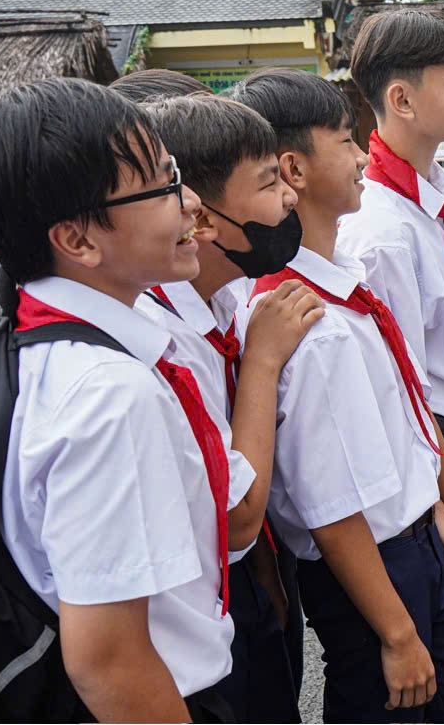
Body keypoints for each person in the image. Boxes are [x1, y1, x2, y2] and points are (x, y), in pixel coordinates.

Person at [0, 77, 236, 720]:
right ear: (77, 240)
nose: (191, 201)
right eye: (164, 185)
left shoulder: (28, 340)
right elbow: (108, 658)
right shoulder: (109, 394)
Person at [230, 66, 444, 723]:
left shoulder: (343, 277)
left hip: (415, 544)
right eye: (345, 140)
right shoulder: (302, 322)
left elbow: (396, 419)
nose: (359, 154)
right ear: (292, 168)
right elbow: (330, 505)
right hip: (373, 572)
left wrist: (436, 507)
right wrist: (398, 633)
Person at [134, 92, 326, 722]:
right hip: (206, 601)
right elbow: (237, 518)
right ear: (204, 220)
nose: (292, 197)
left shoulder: (222, 296)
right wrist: (263, 364)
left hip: (256, 582)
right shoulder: (162, 340)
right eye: (271, 182)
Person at [337, 11, 444, 645]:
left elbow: (438, 346)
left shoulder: (432, 191)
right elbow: (401, 391)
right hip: (429, 457)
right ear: (401, 99)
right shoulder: (381, 232)